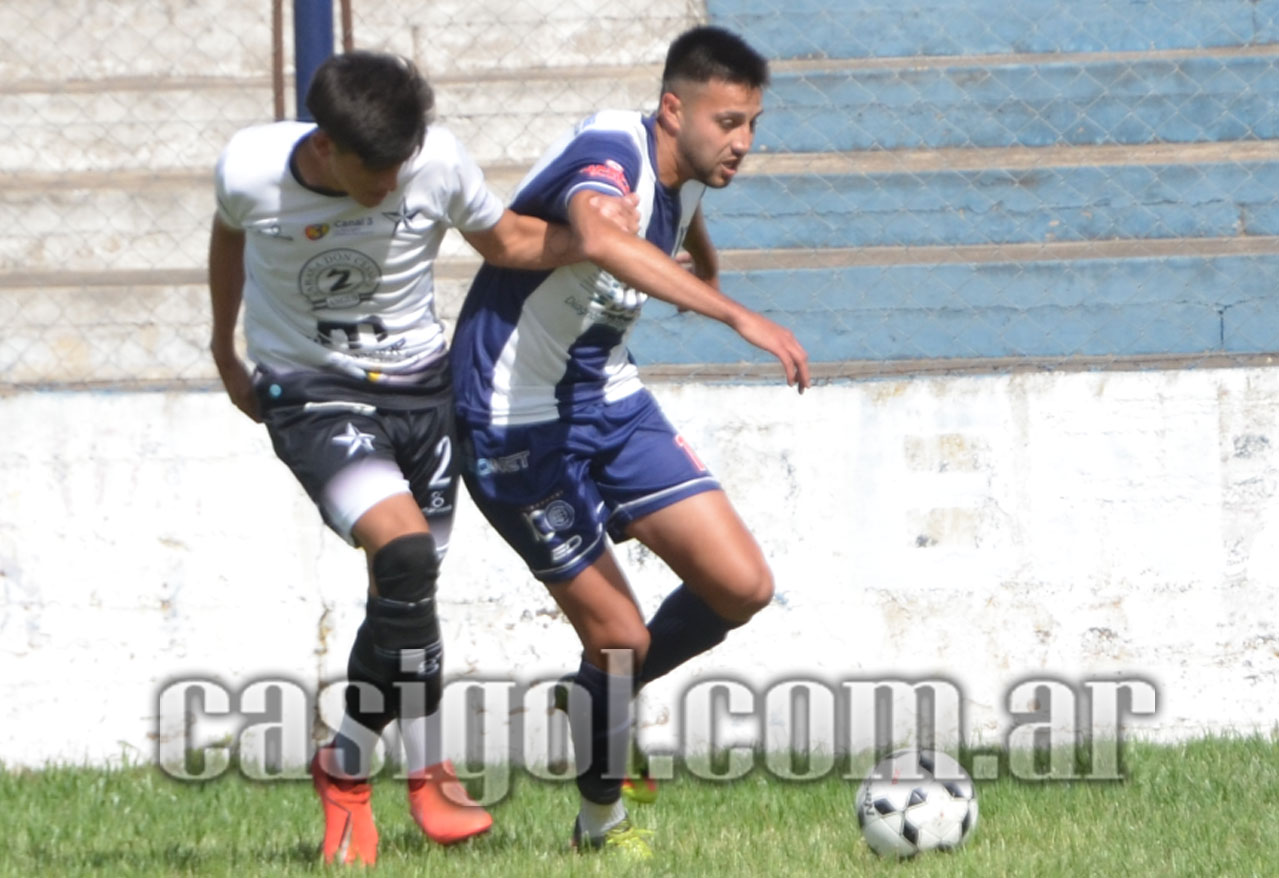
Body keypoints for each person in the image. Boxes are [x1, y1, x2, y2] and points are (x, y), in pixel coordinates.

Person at [208, 50, 637, 866]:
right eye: (376, 171)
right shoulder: (251, 168)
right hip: (311, 391)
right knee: (403, 550)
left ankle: (343, 763)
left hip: (422, 394)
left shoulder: (433, 161)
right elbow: (229, 234)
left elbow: (507, 240)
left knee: (403, 590)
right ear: (326, 145)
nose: (392, 182)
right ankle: (426, 770)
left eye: (401, 165)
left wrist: (604, 243)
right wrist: (224, 348)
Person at [450, 25, 810, 857]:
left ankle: (594, 699)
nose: (743, 143)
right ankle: (600, 825)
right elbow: (601, 231)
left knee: (741, 586)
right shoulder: (611, 149)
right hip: (512, 415)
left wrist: (700, 265)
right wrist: (736, 314)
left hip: (607, 395)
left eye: (752, 124)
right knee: (618, 636)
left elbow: (672, 222)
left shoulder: (689, 170)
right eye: (728, 123)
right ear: (672, 109)